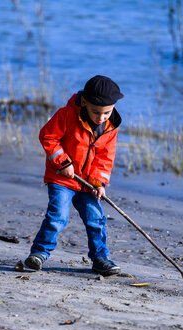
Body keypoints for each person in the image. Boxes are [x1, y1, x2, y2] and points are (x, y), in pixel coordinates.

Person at [24, 75, 123, 276]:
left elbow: (105, 157)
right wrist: (63, 162)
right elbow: (48, 137)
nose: (101, 117)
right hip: (62, 178)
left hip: (88, 184)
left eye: (107, 112)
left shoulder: (110, 127)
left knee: (96, 219)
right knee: (58, 217)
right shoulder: (66, 115)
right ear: (84, 102)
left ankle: (100, 258)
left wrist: (99, 183)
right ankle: (39, 253)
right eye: (96, 112)